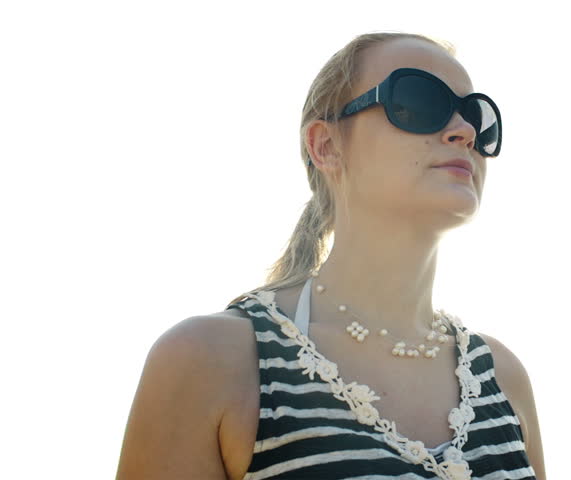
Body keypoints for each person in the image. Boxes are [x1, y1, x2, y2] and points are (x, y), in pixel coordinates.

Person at [116, 31, 546, 480]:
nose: (465, 131)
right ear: (326, 146)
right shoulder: (211, 361)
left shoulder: (502, 376)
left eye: (477, 116)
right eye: (419, 101)